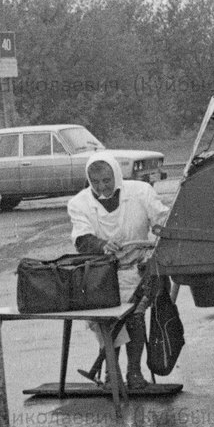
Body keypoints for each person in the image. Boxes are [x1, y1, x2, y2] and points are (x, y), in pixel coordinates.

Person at [67, 152, 170, 388]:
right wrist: (102, 245)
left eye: (106, 180)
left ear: (116, 175)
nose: (102, 187)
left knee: (135, 318)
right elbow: (82, 239)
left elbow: (163, 219)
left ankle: (134, 372)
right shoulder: (79, 203)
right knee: (106, 323)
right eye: (96, 182)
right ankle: (110, 373)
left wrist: (158, 227)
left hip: (138, 270)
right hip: (102, 275)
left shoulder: (141, 192)